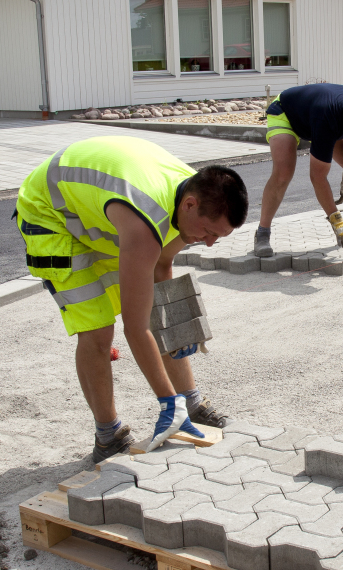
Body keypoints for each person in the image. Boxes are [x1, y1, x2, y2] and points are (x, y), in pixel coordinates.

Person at [15, 135, 248, 459]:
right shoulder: (144, 222)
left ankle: (191, 404)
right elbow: (136, 329)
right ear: (190, 205)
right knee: (97, 330)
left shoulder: (194, 198)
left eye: (218, 238)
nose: (208, 243)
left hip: (99, 206)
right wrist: (168, 403)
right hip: (51, 214)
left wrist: (174, 323)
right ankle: (108, 435)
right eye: (209, 232)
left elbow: (161, 269)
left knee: (153, 306)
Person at [254, 82, 343, 258]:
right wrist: (335, 220)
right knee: (283, 172)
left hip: (326, 117)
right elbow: (317, 177)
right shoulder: (326, 117)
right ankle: (262, 233)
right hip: (287, 112)